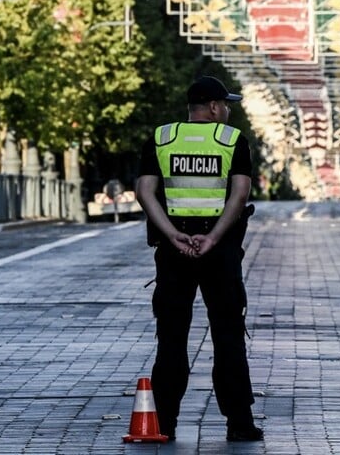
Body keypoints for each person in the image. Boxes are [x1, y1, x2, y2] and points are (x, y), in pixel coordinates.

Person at [135, 76, 263, 443]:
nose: (227, 110)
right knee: (228, 335)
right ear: (212, 107)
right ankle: (239, 423)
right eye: (225, 104)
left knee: (172, 336)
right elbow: (239, 196)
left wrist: (173, 234)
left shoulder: (161, 138)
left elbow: (145, 192)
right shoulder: (232, 140)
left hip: (174, 251)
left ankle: (164, 423)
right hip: (218, 251)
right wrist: (213, 238)